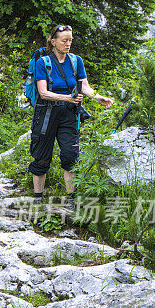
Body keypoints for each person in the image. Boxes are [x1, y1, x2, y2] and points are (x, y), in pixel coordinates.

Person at [30, 24, 114, 204]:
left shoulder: (76, 61)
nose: (68, 44)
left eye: (70, 40)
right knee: (42, 157)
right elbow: (43, 92)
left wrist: (97, 96)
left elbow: (84, 86)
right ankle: (38, 199)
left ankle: (71, 200)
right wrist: (67, 98)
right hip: (46, 114)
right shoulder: (43, 62)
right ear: (53, 42)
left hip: (69, 114)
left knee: (70, 156)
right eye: (64, 41)